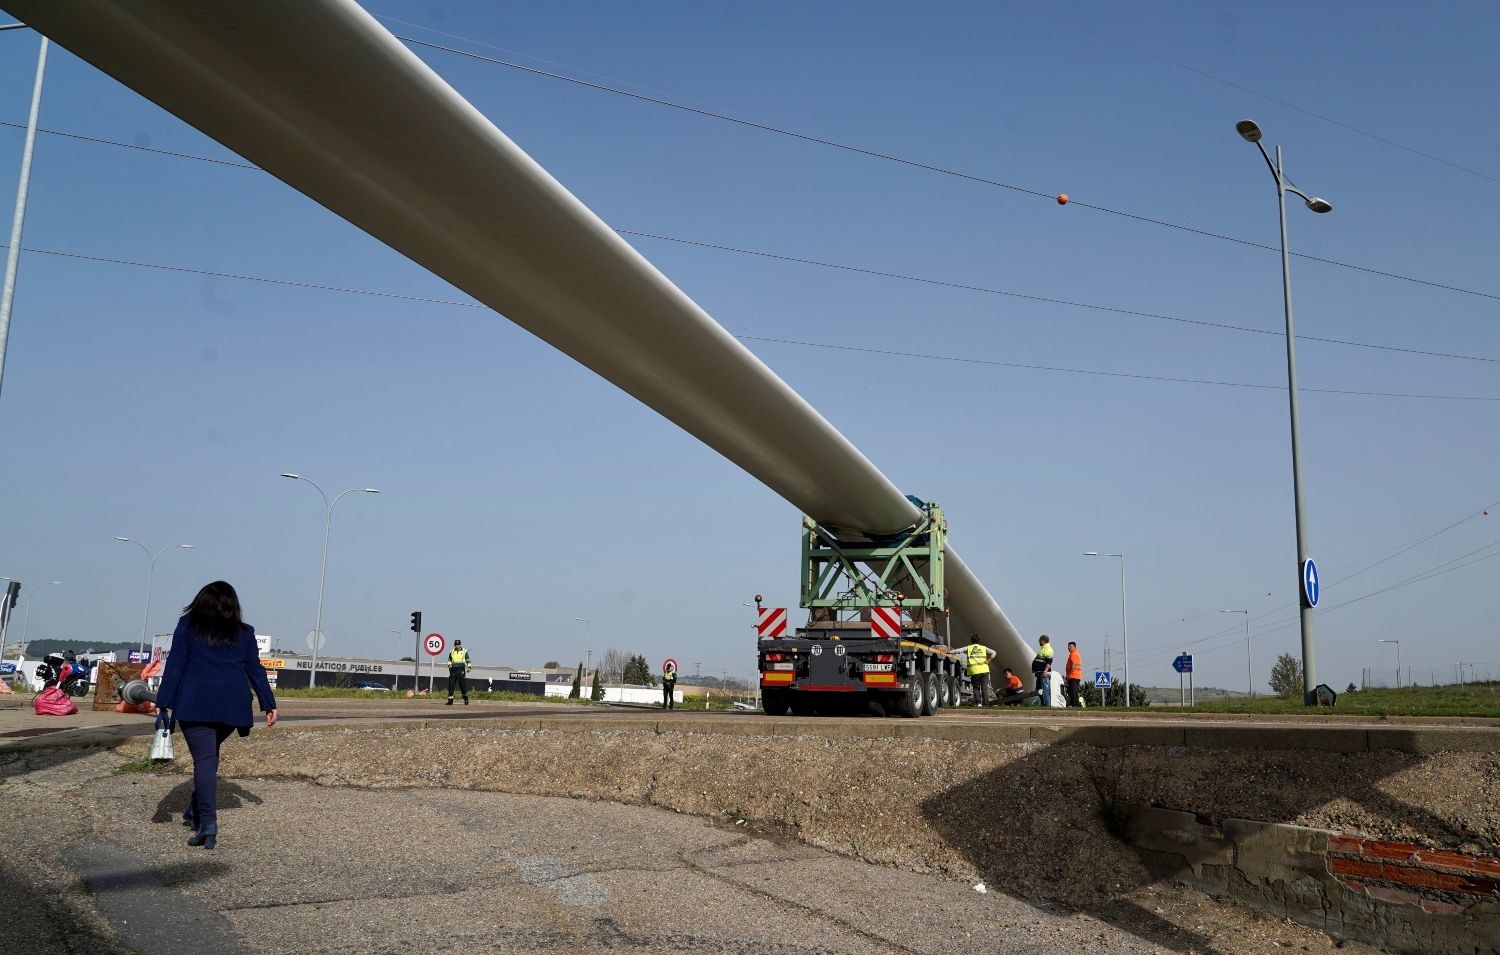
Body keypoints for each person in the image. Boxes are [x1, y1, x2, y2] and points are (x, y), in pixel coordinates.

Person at [155, 581, 277, 850]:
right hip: (233, 706)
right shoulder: (244, 633)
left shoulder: (188, 625)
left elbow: (176, 664)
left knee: (205, 761)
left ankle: (207, 823)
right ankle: (194, 810)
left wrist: (163, 702)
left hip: (195, 703)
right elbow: (254, 669)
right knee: (208, 759)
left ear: (200, 600)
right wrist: (268, 703)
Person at [957, 636, 996, 706]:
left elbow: (959, 650)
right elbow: (994, 653)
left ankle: (978, 703)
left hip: (975, 671)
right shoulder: (983, 648)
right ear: (979, 641)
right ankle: (986, 703)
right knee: (984, 687)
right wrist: (988, 660)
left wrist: (949, 652)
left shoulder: (969, 648)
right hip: (984, 670)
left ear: (971, 640)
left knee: (976, 687)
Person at [446, 639, 471, 705]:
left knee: (462, 685)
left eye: (458, 644)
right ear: (454, 645)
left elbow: (468, 660)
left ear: (460, 645)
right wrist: (449, 666)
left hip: (461, 669)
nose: (457, 646)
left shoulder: (464, 651)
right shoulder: (451, 651)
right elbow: (449, 660)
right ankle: (450, 700)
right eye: (456, 645)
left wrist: (469, 667)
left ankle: (465, 699)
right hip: (453, 670)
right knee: (451, 685)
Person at [1032, 635, 1055, 706]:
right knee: (1038, 689)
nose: (1038, 641)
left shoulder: (1048, 649)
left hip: (1043, 673)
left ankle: (1047, 705)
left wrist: (1045, 671)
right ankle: (1043, 703)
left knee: (1044, 690)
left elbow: (1049, 661)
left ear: (1043, 640)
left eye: (1040, 640)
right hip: (1039, 673)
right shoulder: (1043, 648)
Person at [1065, 641, 1083, 707]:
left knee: (1072, 691)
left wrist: (1069, 675)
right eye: (1068, 647)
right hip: (1074, 676)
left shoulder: (1074, 654)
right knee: (1072, 691)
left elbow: (1074, 665)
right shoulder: (1074, 654)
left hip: (1073, 676)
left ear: (1074, 647)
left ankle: (1074, 705)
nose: (1068, 648)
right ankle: (1075, 705)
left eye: (1070, 646)